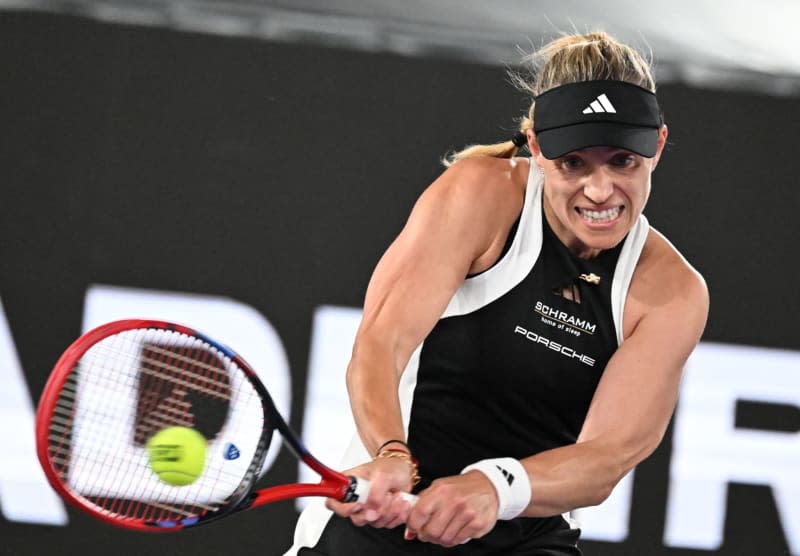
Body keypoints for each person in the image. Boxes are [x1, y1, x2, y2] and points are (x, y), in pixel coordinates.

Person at [287, 30, 709, 555]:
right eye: (572, 163)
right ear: (535, 147)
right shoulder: (480, 194)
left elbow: (606, 458)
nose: (600, 191)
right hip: (384, 522)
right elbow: (381, 343)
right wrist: (392, 453)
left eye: (622, 161)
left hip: (526, 536)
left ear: (658, 147)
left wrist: (495, 486)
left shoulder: (673, 293)